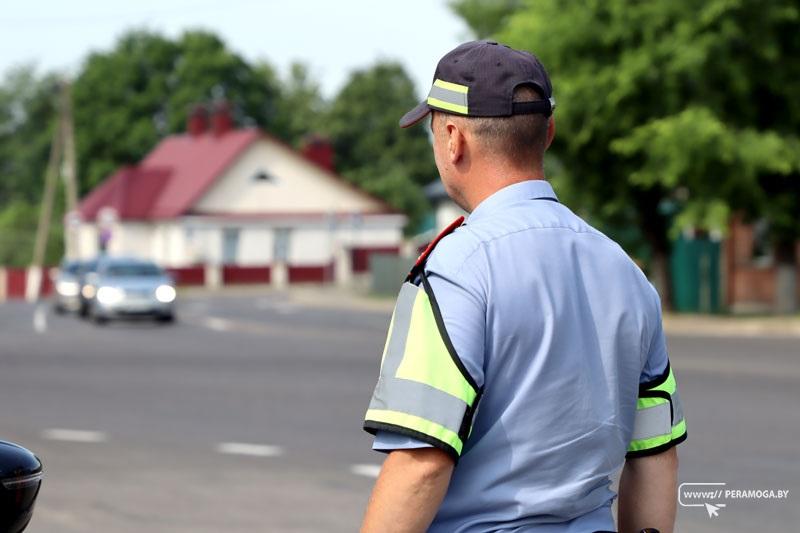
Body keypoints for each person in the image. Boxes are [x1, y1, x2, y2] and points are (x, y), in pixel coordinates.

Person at [360, 40, 686, 533]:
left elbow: (421, 462)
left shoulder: (455, 271)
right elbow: (655, 453)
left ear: (453, 139)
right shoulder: (627, 272)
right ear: (547, 133)